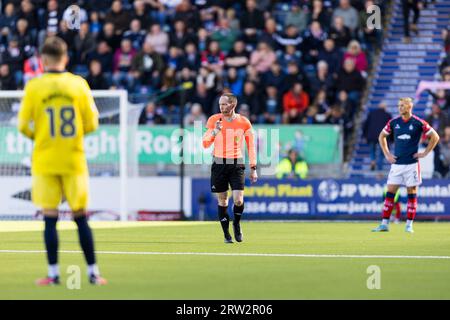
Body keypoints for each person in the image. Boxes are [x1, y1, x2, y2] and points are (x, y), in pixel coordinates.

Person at [17, 36, 107, 286]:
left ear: (43, 61)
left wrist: (42, 137)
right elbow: (92, 123)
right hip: (73, 159)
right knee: (80, 217)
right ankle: (93, 273)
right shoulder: (78, 84)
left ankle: (54, 273)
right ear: (65, 58)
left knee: (49, 217)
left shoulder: (34, 87)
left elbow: (23, 125)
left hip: (45, 160)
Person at [372, 97, 440, 233]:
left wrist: (425, 153)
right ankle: (384, 224)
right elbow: (381, 136)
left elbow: (435, 137)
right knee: (390, 193)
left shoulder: (418, 122)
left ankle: (409, 225)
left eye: (403, 105)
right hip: (397, 164)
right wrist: (387, 154)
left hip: (412, 165)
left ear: (410, 107)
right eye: (399, 105)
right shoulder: (394, 122)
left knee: (412, 194)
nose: (400, 108)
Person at [202, 93, 257, 243]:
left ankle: (237, 224)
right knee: (223, 199)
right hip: (219, 163)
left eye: (224, 104)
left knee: (238, 200)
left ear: (233, 105)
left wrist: (253, 167)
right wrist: (214, 132)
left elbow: (251, 146)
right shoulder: (214, 120)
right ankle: (226, 234)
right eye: (220, 104)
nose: (221, 107)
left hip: (237, 163)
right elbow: (205, 143)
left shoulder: (244, 122)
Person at [363, 101, 392, 171]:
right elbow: (391, 128)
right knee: (382, 153)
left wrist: (364, 136)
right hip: (383, 137)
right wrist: (391, 139)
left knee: (372, 150)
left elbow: (365, 125)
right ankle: (380, 169)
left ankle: (373, 161)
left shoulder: (371, 113)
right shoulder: (387, 115)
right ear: (385, 108)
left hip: (372, 135)